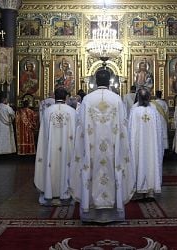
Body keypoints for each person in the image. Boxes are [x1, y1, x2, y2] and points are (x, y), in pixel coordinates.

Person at [69, 68, 135, 223]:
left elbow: (80, 125)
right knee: (113, 172)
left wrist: (80, 147)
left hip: (91, 149)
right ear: (109, 81)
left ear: (96, 82)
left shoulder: (87, 100)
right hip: (112, 148)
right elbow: (123, 125)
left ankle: (90, 212)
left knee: (91, 173)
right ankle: (113, 212)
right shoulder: (116, 99)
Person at [34, 87, 76, 206]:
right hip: (67, 149)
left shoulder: (48, 111)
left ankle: (49, 192)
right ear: (66, 97)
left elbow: (43, 134)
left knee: (50, 165)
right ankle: (66, 192)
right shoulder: (72, 111)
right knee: (66, 165)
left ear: (55, 97)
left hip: (51, 148)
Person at [128, 88, 163, 200]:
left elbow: (129, 131)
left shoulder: (134, 111)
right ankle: (150, 191)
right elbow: (159, 131)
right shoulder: (154, 112)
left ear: (138, 98)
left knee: (138, 162)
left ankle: (138, 190)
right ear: (148, 98)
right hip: (151, 146)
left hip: (137, 145)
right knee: (151, 163)